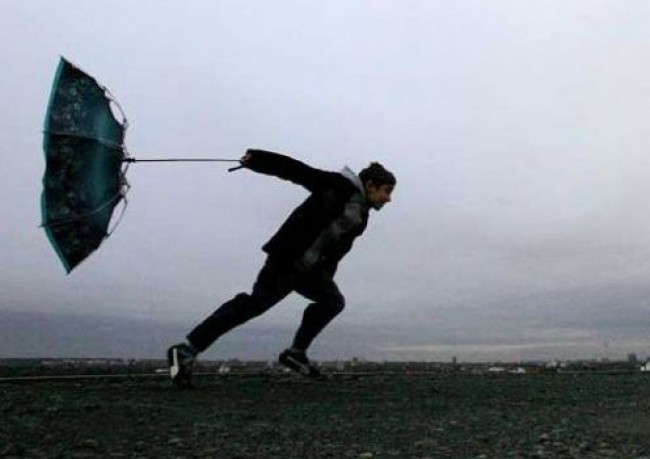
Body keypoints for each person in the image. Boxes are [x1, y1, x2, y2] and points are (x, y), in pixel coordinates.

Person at [167, 149, 395, 386]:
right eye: (386, 191)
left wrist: (326, 275)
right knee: (254, 304)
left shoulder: (361, 216)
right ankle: (186, 349)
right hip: (286, 261)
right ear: (370, 185)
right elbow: (298, 171)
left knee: (332, 302)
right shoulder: (337, 186)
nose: (388, 199)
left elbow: (336, 251)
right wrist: (258, 160)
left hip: (311, 272)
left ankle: (295, 354)